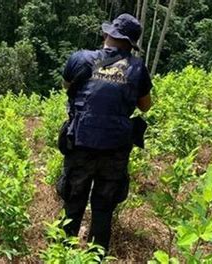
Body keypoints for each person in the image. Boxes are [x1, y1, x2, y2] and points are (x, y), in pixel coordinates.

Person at [57, 13, 152, 252]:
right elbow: (145, 105)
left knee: (73, 201)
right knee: (103, 206)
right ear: (131, 44)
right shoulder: (138, 68)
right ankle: (96, 255)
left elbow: (67, 87)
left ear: (106, 34)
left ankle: (61, 254)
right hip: (115, 148)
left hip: (81, 142)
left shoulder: (79, 59)